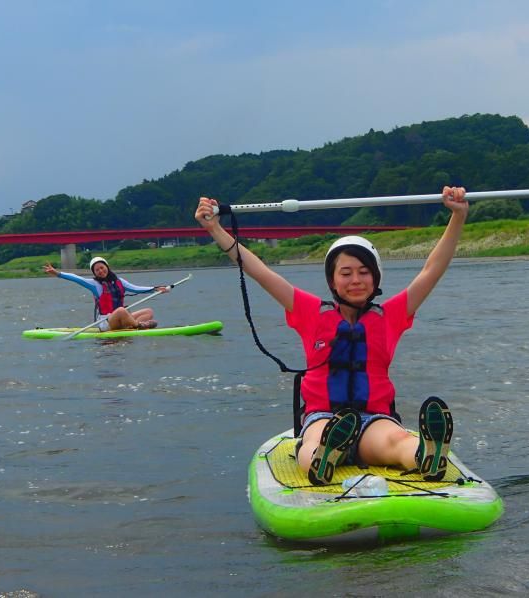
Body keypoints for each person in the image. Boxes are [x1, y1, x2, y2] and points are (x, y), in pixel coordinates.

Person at [195, 186, 468, 485]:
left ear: (375, 278)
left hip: (373, 419)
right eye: (346, 273)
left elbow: (432, 269)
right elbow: (258, 270)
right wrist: (215, 228)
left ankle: (426, 455)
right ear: (333, 281)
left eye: (364, 272)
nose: (355, 280)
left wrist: (457, 216)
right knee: (314, 440)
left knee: (395, 441)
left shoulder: (391, 316)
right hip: (323, 417)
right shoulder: (310, 311)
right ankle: (324, 456)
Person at [44, 256, 169, 331]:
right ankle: (138, 325)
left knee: (148, 311)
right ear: (94, 273)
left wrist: (156, 289)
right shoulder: (94, 285)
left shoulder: (119, 281)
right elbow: (76, 278)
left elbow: (136, 288)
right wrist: (57, 273)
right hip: (106, 323)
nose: (100, 271)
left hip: (121, 317)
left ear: (107, 267)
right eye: (97, 270)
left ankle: (132, 326)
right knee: (121, 310)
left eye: (102, 267)